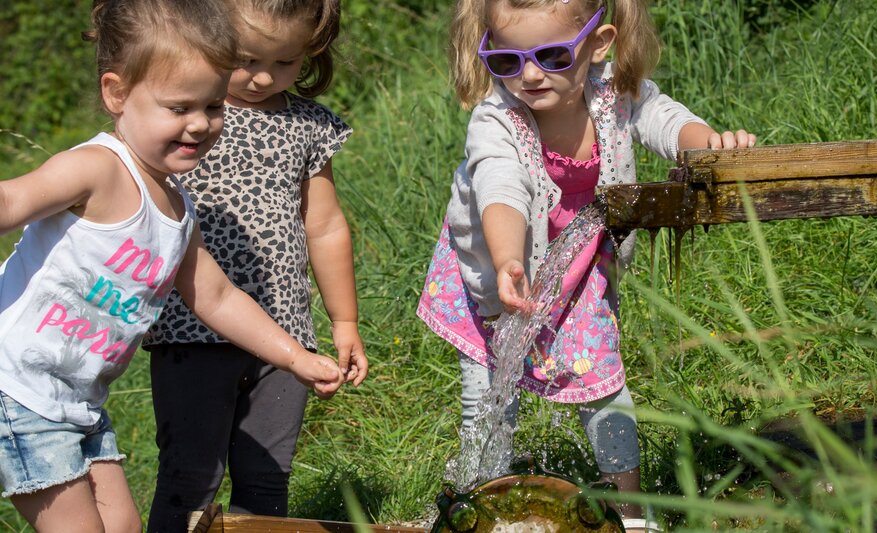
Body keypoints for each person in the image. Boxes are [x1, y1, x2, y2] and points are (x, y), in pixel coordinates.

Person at [0, 0, 347, 531]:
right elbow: (11, 200)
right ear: (116, 94)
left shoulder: (178, 210)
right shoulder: (97, 169)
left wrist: (295, 356)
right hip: (19, 387)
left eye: (213, 106)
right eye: (179, 107)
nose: (200, 124)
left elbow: (218, 297)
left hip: (78, 400)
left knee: (125, 527)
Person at [416, 0, 756, 531]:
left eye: (551, 56)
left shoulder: (613, 95)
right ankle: (482, 508)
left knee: (604, 389)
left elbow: (666, 120)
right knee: (488, 400)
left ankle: (630, 515)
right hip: (496, 277)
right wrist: (508, 259)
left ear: (598, 45)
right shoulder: (497, 117)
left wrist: (710, 146)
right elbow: (499, 185)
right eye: (506, 60)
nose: (529, 76)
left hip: (576, 278)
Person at [142, 0, 368, 530]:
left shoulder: (308, 124)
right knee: (190, 476)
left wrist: (345, 321)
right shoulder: (189, 114)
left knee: (267, 478)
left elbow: (325, 225)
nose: (264, 77)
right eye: (246, 60)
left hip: (286, 332)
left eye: (286, 61)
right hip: (190, 328)